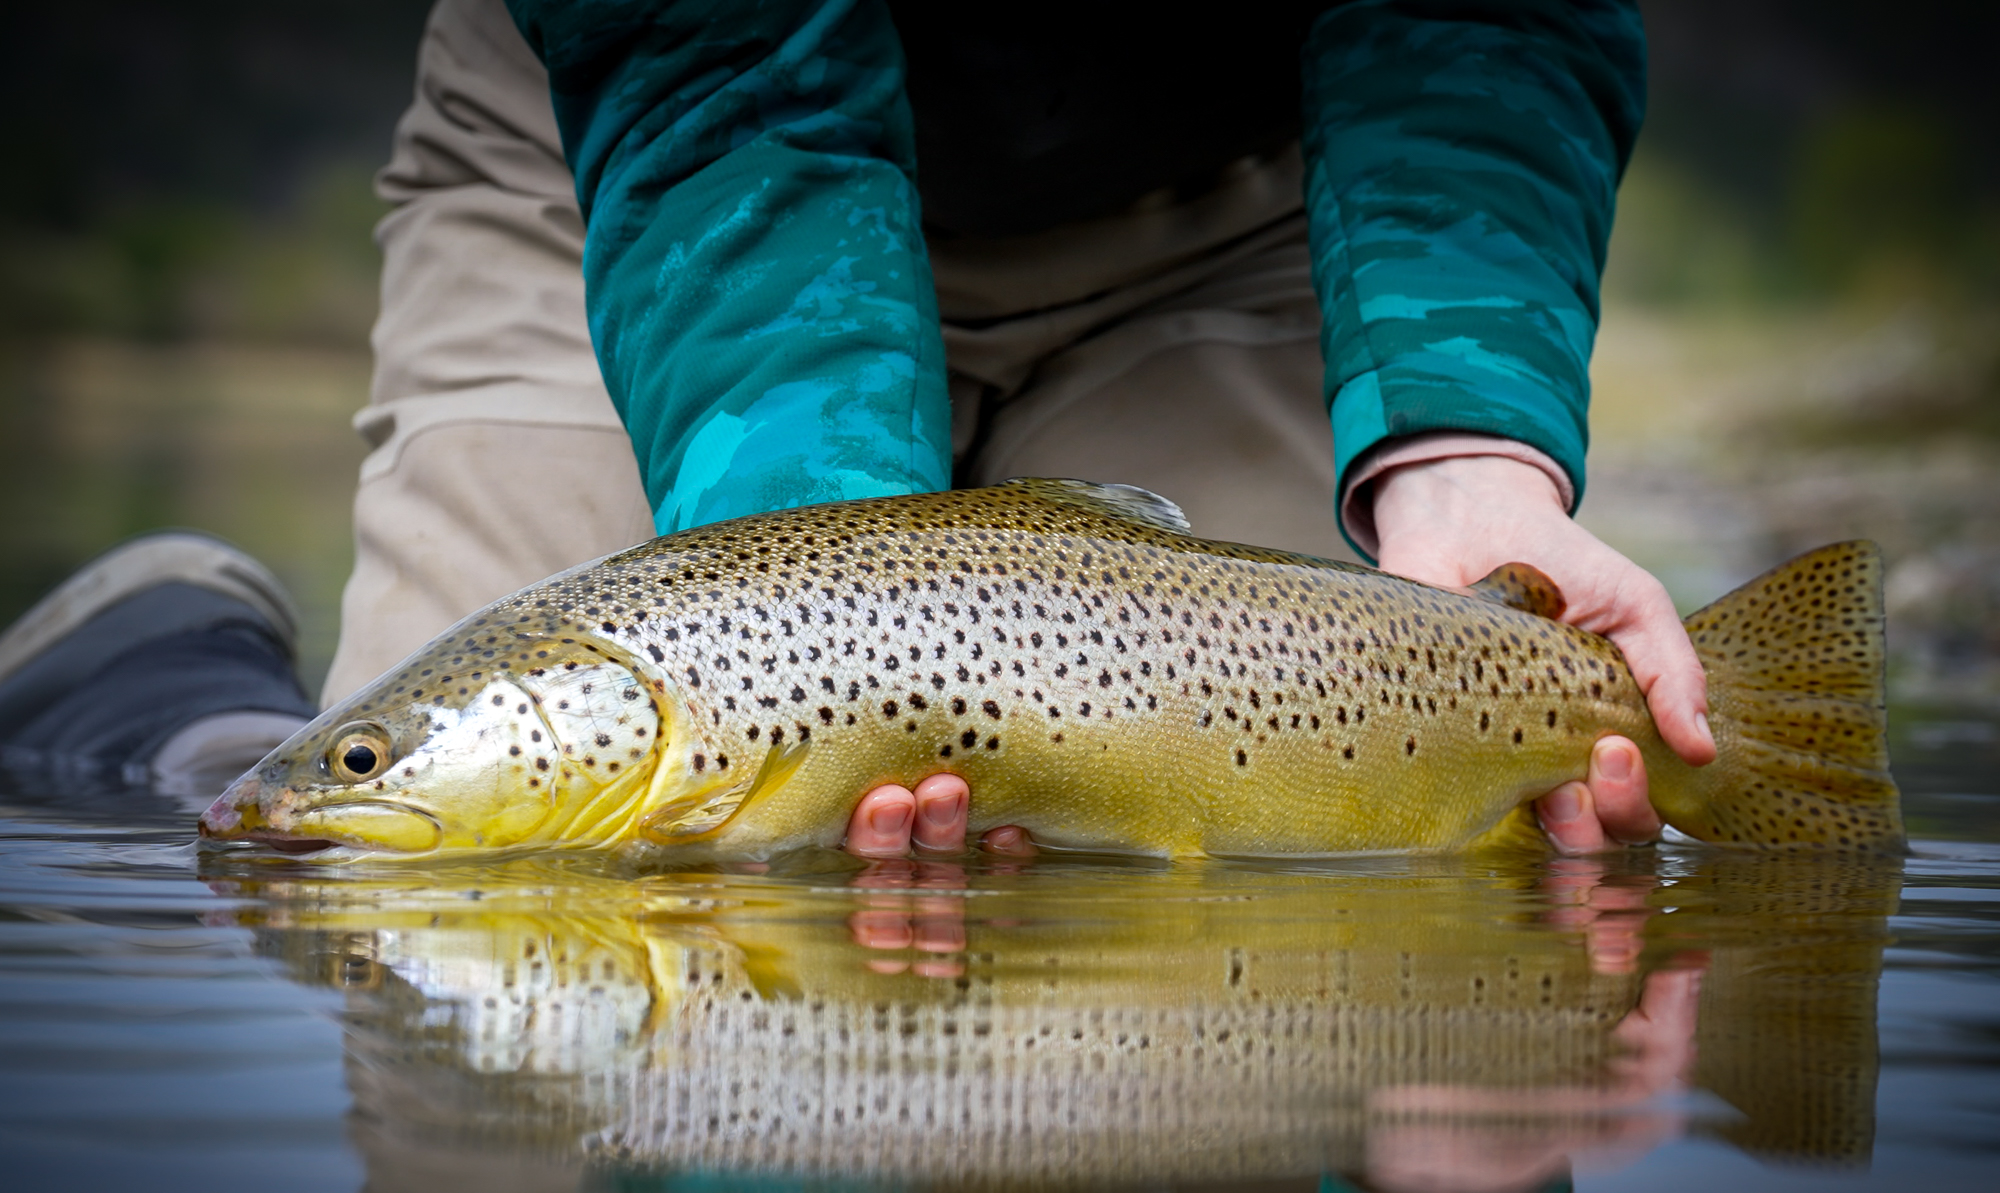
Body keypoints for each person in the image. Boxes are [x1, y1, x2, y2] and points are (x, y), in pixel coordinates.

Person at [0, 0, 1706, 857]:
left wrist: (1462, 450)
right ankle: (181, 715)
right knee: (436, 954)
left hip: (1257, 193)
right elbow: (722, 69)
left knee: (1279, 923)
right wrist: (845, 578)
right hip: (639, 161)